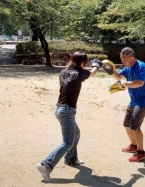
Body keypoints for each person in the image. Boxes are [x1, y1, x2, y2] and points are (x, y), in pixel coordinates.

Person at [36, 51, 102, 182]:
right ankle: (46, 165)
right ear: (82, 62)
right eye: (86, 62)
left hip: (59, 108)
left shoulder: (63, 72)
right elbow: (93, 73)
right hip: (67, 110)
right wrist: (96, 65)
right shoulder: (80, 73)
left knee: (76, 133)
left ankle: (71, 159)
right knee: (68, 142)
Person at [103, 47, 145, 162]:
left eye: (125, 59)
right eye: (121, 58)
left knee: (134, 126)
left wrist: (124, 84)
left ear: (132, 58)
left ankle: (141, 152)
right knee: (127, 125)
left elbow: (139, 83)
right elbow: (119, 77)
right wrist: (111, 71)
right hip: (133, 101)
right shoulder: (127, 67)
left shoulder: (141, 66)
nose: (123, 61)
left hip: (143, 102)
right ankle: (134, 146)